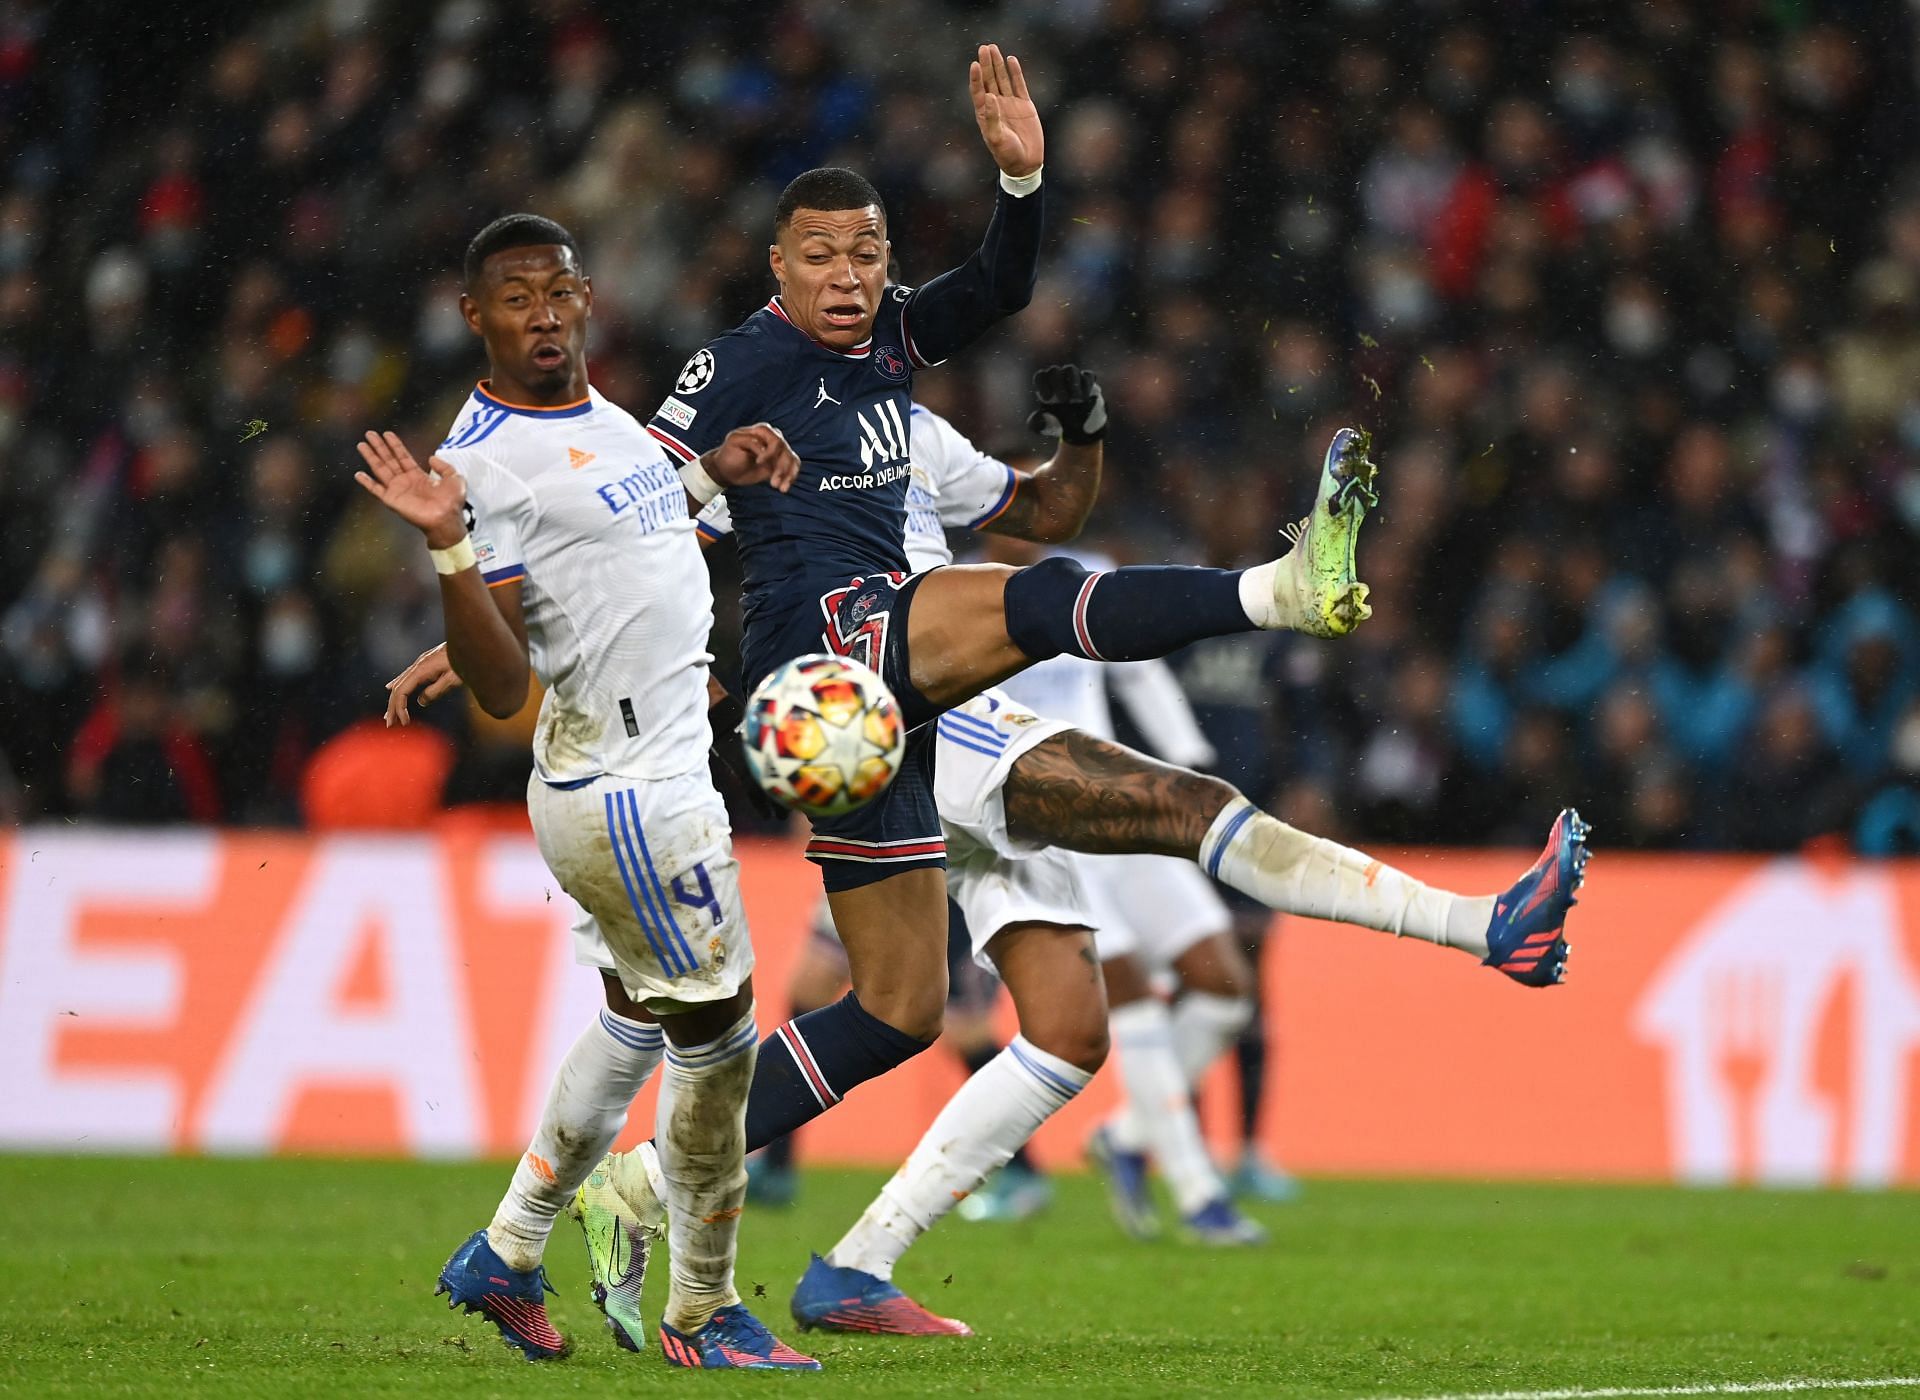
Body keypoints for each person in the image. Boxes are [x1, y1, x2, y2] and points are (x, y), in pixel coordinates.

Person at [353, 213, 819, 1370]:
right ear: (475, 318)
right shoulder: (480, 462)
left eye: (558, 290)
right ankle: (703, 1311)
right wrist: (451, 560)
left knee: (637, 1014)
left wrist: (716, 473)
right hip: (627, 787)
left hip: (645, 768)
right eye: (515, 297)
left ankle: (507, 1252)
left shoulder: (605, 421)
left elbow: (631, 541)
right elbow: (509, 682)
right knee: (722, 1043)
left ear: (587, 295)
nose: (543, 313)